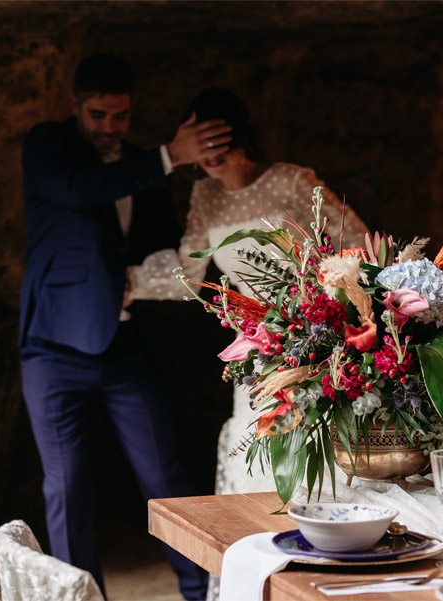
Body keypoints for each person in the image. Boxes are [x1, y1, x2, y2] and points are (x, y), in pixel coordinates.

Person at [19, 54, 230, 600]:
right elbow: (79, 191)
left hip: (128, 345)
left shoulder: (144, 167)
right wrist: (168, 155)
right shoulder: (47, 146)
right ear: (74, 106)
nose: (110, 128)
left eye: (121, 116)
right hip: (52, 348)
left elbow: (161, 248)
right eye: (98, 115)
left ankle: (201, 591)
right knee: (67, 487)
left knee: (164, 478)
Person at [130, 87, 369, 496]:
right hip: (256, 338)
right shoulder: (204, 195)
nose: (210, 152)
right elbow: (187, 271)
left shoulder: (291, 179)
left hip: (314, 330)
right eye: (199, 142)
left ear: (238, 134)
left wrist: (329, 297)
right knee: (257, 436)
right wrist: (125, 284)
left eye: (218, 138)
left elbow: (359, 246)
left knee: (315, 436)